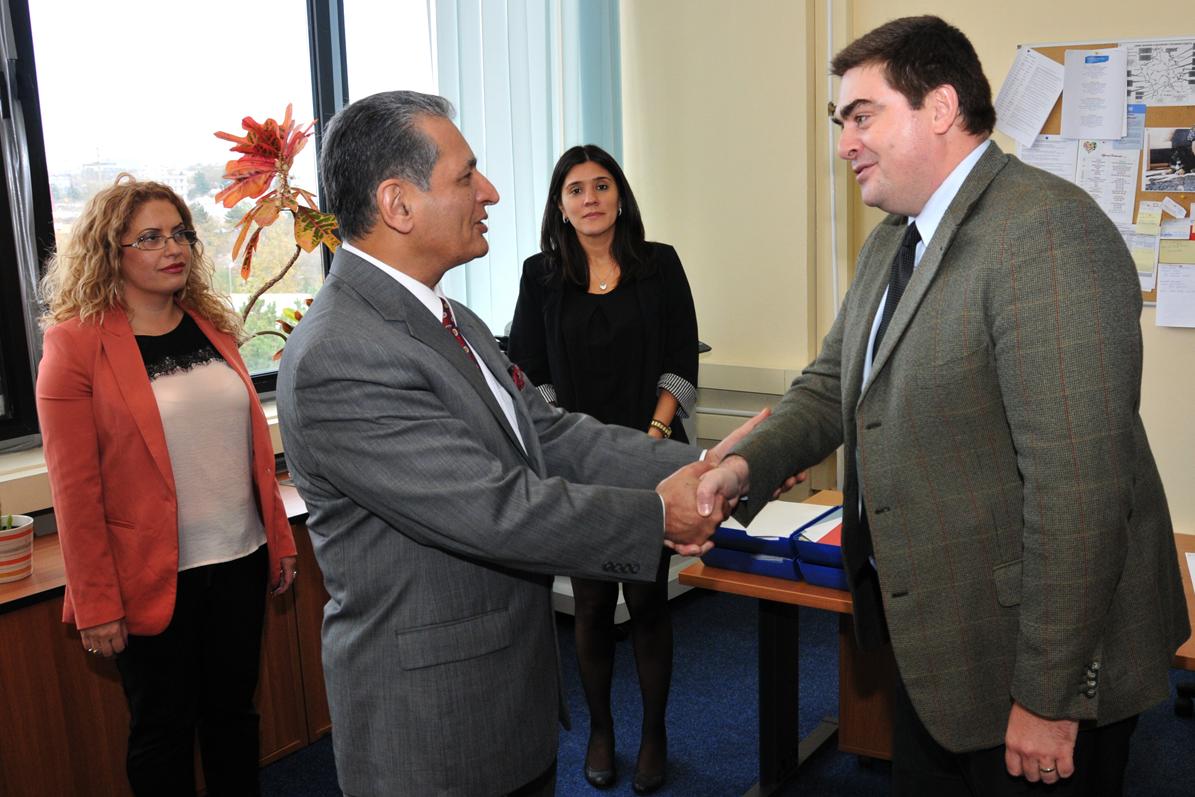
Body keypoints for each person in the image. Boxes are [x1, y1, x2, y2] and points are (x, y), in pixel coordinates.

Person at [695, 16, 1191, 797]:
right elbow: (829, 385)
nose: (844, 143)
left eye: (861, 116)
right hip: (937, 642)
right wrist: (740, 467)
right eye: (839, 122)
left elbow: (1079, 493)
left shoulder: (1046, 233)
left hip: (1033, 656)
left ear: (940, 106)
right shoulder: (891, 241)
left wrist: (1047, 696)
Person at [275, 91, 745, 797]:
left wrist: (708, 465)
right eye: (467, 176)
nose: (490, 192)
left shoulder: (450, 316)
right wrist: (659, 514)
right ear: (398, 204)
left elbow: (550, 434)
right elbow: (494, 509)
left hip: (506, 700)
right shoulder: (339, 353)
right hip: (434, 729)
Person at [36, 175, 298, 796]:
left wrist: (280, 540)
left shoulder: (211, 324)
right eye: (149, 238)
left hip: (239, 559)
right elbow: (74, 492)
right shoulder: (74, 344)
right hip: (150, 575)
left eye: (179, 233)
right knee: (162, 733)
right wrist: (97, 603)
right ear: (110, 250)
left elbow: (249, 451)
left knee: (235, 718)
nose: (172, 248)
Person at [508, 144, 697, 794]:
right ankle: (600, 731)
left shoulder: (659, 264)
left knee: (647, 601)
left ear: (620, 196)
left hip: (649, 460)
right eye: (576, 189)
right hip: (575, 467)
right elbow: (529, 371)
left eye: (601, 185)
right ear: (560, 205)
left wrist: (651, 439)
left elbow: (680, 361)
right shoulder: (539, 276)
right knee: (590, 605)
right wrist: (572, 442)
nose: (589, 199)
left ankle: (653, 733)